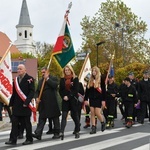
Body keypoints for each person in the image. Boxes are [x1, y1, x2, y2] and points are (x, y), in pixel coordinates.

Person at [5, 64, 35, 145]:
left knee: (26, 123)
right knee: (14, 123)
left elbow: (32, 92)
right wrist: (10, 104)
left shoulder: (30, 79)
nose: (19, 70)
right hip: (16, 106)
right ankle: (12, 139)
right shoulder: (16, 80)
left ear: (25, 70)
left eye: (20, 69)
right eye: (18, 69)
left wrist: (27, 102)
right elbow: (14, 93)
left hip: (25, 105)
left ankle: (29, 139)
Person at [32, 67, 61, 140]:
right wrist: (37, 98)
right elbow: (37, 91)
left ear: (47, 72)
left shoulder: (53, 78)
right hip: (43, 103)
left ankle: (57, 132)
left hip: (52, 102)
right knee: (42, 118)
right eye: (41, 72)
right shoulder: (41, 81)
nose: (42, 74)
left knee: (55, 118)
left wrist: (47, 79)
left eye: (44, 72)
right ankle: (38, 133)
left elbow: (55, 86)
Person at [59, 65, 80, 140]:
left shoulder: (75, 79)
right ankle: (61, 132)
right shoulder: (62, 79)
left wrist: (69, 96)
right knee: (64, 116)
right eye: (66, 70)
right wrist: (63, 96)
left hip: (72, 99)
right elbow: (60, 90)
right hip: (65, 100)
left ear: (71, 70)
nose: (67, 71)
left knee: (74, 115)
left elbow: (76, 90)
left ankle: (77, 130)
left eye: (68, 70)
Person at [84, 66, 106, 134]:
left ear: (97, 72)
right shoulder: (89, 79)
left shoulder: (101, 79)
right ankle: (93, 127)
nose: (93, 72)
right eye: (92, 71)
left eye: (95, 71)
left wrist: (103, 100)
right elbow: (87, 90)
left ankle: (102, 122)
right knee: (92, 113)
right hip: (91, 98)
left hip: (98, 98)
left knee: (97, 112)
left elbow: (103, 90)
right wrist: (85, 99)